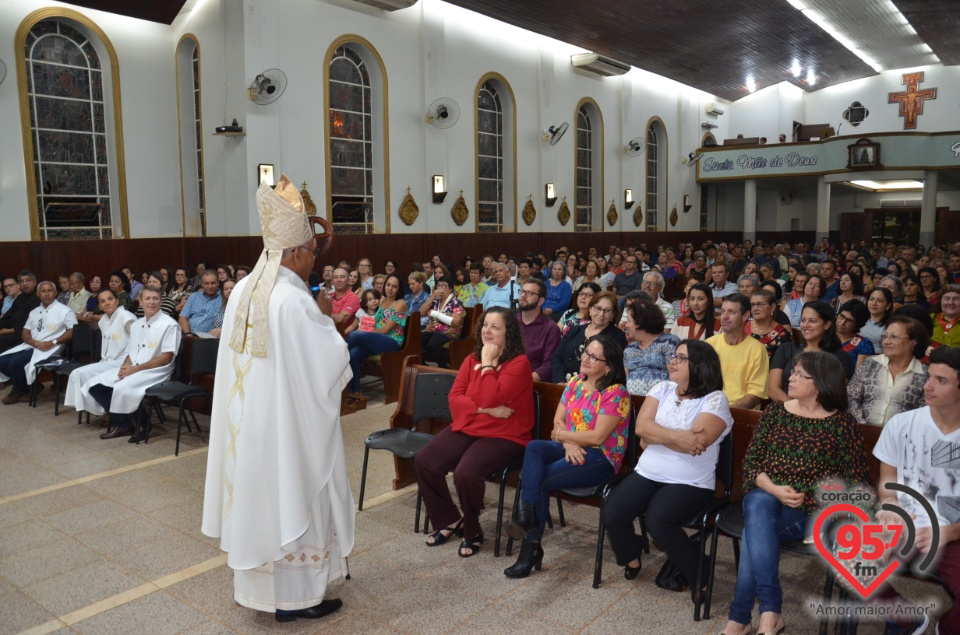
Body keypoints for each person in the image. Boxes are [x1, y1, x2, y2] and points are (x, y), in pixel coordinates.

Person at [202, 176, 353, 623]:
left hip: (248, 427)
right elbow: (326, 366)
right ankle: (298, 598)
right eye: (310, 254)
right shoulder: (294, 300)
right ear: (294, 253)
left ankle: (264, 595)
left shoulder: (244, 291)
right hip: (288, 430)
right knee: (297, 496)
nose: (314, 264)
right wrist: (328, 321)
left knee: (257, 498)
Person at [720, 352, 870, 635]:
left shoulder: (842, 424)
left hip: (807, 512)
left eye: (801, 374)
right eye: (793, 371)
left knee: (757, 531)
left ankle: (742, 619)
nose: (791, 377)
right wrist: (775, 489)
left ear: (822, 382)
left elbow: (858, 482)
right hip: (764, 494)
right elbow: (751, 463)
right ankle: (769, 612)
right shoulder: (775, 412)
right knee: (760, 503)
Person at [603, 340, 732, 604]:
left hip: (691, 481)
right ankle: (632, 555)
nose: (672, 360)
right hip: (648, 471)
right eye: (674, 355)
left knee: (658, 521)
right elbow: (641, 428)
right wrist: (677, 438)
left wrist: (657, 436)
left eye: (681, 358)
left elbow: (696, 444)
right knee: (613, 510)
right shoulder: (662, 388)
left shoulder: (715, 399)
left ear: (700, 365)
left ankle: (699, 573)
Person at [504, 335, 631, 578]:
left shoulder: (616, 393)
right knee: (534, 448)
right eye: (586, 352)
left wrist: (566, 438)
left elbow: (597, 438)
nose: (585, 358)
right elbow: (557, 420)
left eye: (594, 357)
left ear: (608, 366)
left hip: (601, 457)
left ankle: (529, 544)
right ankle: (527, 517)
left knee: (538, 479)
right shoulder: (574, 384)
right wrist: (566, 438)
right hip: (571, 446)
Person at [415, 306, 534, 558]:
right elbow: (455, 397)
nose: (487, 331)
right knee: (425, 460)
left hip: (506, 433)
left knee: (466, 473)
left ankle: (473, 530)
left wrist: (489, 364)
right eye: (484, 325)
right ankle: (449, 519)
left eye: (495, 327)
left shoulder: (519, 363)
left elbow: (492, 395)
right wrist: (485, 410)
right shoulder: (471, 359)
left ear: (508, 333)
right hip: (472, 424)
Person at [871, 347, 960, 635]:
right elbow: (887, 481)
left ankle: (946, 628)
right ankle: (909, 619)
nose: (928, 386)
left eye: (941, 381)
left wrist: (952, 532)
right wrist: (887, 506)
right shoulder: (902, 423)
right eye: (929, 377)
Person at [85, 286, 180, 441]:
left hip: (156, 369)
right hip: (135, 367)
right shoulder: (137, 324)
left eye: (155, 298)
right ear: (140, 302)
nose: (152, 302)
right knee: (96, 386)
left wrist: (135, 369)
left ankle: (143, 425)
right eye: (147, 298)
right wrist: (125, 366)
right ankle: (123, 424)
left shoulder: (169, 325)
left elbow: (166, 358)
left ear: (161, 301)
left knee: (123, 386)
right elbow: (131, 351)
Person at [0, 281, 76, 404]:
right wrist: (32, 342)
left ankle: (18, 390)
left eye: (50, 291)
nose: (47, 294)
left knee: (15, 362)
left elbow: (73, 331)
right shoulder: (34, 312)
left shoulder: (65, 310)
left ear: (55, 293)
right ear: (38, 294)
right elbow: (25, 332)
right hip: (33, 345)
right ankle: (30, 386)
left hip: (52, 346)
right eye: (43, 291)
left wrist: (52, 342)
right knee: (2, 361)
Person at [64, 288, 136, 418]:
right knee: (79, 374)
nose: (107, 303)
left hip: (123, 361)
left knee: (80, 373)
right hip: (107, 361)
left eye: (110, 299)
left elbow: (138, 341)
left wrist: (129, 362)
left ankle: (107, 411)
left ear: (117, 300)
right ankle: (103, 409)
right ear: (99, 305)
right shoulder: (103, 320)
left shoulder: (127, 317)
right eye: (102, 301)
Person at [847, 316, 928, 426]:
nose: (886, 342)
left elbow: (923, 413)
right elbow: (851, 398)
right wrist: (864, 426)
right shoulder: (870, 364)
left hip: (901, 438)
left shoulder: (924, 374)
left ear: (913, 342)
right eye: (885, 337)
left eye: (894, 337)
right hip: (862, 432)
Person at [767, 301, 853, 402]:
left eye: (812, 321)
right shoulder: (786, 349)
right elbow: (772, 389)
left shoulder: (841, 357)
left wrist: (805, 411)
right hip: (785, 408)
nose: (805, 325)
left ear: (827, 324)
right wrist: (793, 409)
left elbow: (834, 395)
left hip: (819, 413)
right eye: (803, 320)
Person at [345, 273, 408, 400]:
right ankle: (356, 391)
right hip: (377, 340)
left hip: (392, 342)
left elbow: (385, 329)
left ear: (399, 289)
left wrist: (366, 333)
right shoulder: (382, 300)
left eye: (394, 287)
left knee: (356, 334)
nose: (390, 288)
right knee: (353, 353)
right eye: (388, 285)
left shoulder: (400, 303)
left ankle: (336, 357)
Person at [707, 294, 768, 409]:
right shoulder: (709, 344)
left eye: (731, 312)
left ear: (745, 316)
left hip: (740, 414)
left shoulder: (757, 349)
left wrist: (727, 412)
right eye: (723, 311)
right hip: (708, 409)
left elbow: (755, 395)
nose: (724, 317)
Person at [552, 291, 627, 383]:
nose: (601, 314)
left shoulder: (617, 336)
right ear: (590, 309)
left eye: (607, 310)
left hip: (593, 388)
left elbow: (612, 368)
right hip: (563, 384)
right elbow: (557, 357)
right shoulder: (575, 330)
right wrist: (560, 381)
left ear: (613, 315)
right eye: (598, 308)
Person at [623, 299, 679, 396]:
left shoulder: (669, 342)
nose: (626, 325)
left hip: (661, 402)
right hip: (632, 403)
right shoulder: (629, 349)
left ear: (639, 322)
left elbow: (675, 374)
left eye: (629, 320)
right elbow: (625, 379)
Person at [516, 279, 561, 382]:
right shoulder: (510, 322)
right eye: (522, 291)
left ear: (541, 301)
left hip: (530, 382)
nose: (523, 296)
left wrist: (523, 382)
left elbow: (548, 366)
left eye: (530, 293)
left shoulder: (551, 328)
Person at [420, 278, 466, 369]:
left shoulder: (456, 303)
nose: (440, 288)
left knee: (431, 345)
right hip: (431, 330)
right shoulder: (435, 302)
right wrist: (432, 297)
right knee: (416, 340)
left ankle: (443, 367)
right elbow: (422, 312)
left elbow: (456, 322)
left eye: (444, 286)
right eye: (439, 286)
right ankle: (422, 365)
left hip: (448, 331)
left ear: (450, 289)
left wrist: (437, 314)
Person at [745, 289, 791, 360]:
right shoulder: (741, 328)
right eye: (752, 305)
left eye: (760, 304)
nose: (755, 308)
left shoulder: (783, 335)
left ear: (772, 307)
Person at [835, 299, 875, 370]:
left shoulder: (863, 344)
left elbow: (859, 376)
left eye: (849, 321)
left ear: (857, 325)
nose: (842, 323)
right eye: (842, 316)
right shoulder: (824, 335)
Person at [178, 270, 221, 334]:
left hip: (209, 338)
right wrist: (188, 334)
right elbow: (183, 317)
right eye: (206, 283)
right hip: (189, 335)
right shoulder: (194, 296)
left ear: (218, 283)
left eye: (213, 283)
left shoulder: (223, 299)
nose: (210, 286)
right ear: (202, 284)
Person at [932, 284, 960, 348]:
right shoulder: (930, 319)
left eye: (956, 299)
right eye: (946, 299)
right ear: (940, 301)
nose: (950, 302)